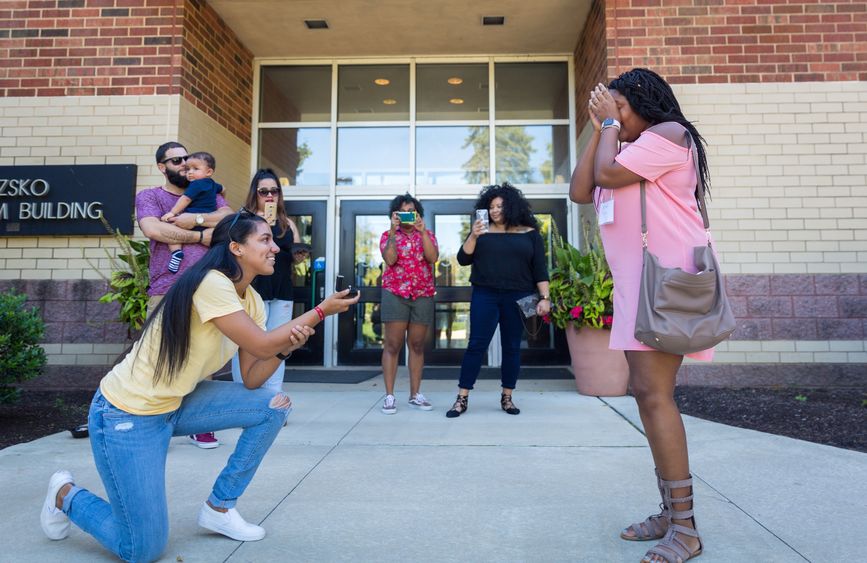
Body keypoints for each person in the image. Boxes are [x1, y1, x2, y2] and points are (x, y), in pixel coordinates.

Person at [39, 211, 360, 563]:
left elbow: (254, 376)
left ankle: (220, 508)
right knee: (141, 549)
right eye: (265, 240)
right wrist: (320, 311)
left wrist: (286, 346)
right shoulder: (212, 283)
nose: (275, 249)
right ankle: (65, 495)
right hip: (126, 413)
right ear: (236, 247)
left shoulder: (250, 300)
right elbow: (263, 342)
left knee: (272, 406)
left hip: (176, 404)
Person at [570, 68, 711, 563]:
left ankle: (686, 529)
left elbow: (607, 176)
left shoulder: (669, 134)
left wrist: (609, 128)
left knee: (655, 397)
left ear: (644, 105)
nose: (614, 116)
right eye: (610, 110)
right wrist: (600, 127)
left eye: (621, 108)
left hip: (665, 286)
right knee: (647, 396)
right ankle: (672, 513)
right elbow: (581, 191)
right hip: (639, 290)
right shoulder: (624, 148)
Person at [137, 141, 233, 449]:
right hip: (167, 286)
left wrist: (197, 219)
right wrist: (201, 235)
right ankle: (152, 422)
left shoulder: (209, 191)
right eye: (176, 160)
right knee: (159, 357)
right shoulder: (150, 196)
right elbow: (154, 230)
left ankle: (200, 424)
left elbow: (230, 221)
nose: (184, 164)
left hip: (207, 286)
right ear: (162, 167)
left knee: (204, 358)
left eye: (188, 159)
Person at [446, 183, 550, 418]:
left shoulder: (530, 233)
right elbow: (463, 259)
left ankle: (507, 397)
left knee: (512, 347)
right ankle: (462, 398)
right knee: (476, 346)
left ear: (512, 206)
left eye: (500, 206)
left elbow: (540, 270)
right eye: (491, 206)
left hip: (519, 296)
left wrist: (545, 298)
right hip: (486, 294)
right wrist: (473, 234)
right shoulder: (481, 232)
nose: (494, 210)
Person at [230, 169, 308, 393]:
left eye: (274, 191)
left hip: (281, 289)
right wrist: (259, 222)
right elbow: (235, 252)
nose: (269, 196)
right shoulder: (244, 219)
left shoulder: (287, 224)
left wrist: (298, 254)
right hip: (253, 289)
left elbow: (291, 254)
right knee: (248, 344)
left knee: (279, 344)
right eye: (263, 191)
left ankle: (273, 399)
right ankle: (242, 398)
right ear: (255, 193)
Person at [378, 194, 439, 414]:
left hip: (422, 294)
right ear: (395, 215)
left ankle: (415, 395)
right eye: (403, 211)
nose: (408, 215)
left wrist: (422, 232)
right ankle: (390, 396)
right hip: (395, 293)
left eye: (411, 211)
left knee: (416, 345)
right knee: (393, 345)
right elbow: (391, 259)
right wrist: (394, 233)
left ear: (418, 213)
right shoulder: (387, 235)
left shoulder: (427, 234)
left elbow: (432, 258)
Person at [160, 151, 224, 274]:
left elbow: (185, 199)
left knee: (171, 228)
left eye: (195, 169)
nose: (190, 172)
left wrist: (172, 213)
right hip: (208, 222)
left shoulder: (195, 185)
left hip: (191, 220)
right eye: (188, 169)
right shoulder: (213, 185)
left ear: (209, 172)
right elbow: (223, 189)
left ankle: (176, 252)